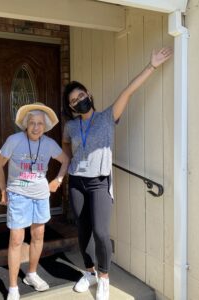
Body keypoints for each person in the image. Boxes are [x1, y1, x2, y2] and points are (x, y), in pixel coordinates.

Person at [62, 47, 173, 300]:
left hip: (100, 182)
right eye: (73, 101)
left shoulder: (107, 116)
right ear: (71, 107)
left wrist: (152, 65)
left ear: (89, 95)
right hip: (77, 182)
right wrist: (63, 173)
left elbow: (129, 91)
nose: (78, 100)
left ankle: (103, 277)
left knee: (101, 232)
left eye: (81, 95)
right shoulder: (70, 126)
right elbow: (66, 149)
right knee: (83, 231)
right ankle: (89, 272)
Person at [0, 102, 69, 300]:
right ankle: (12, 287)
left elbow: (65, 160)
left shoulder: (49, 144)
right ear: (26, 124)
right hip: (18, 195)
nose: (36, 127)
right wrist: (3, 190)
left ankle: (32, 274)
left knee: (38, 236)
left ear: (45, 126)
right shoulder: (14, 140)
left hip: (41, 196)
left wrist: (58, 180)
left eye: (40, 124)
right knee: (16, 239)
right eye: (32, 123)